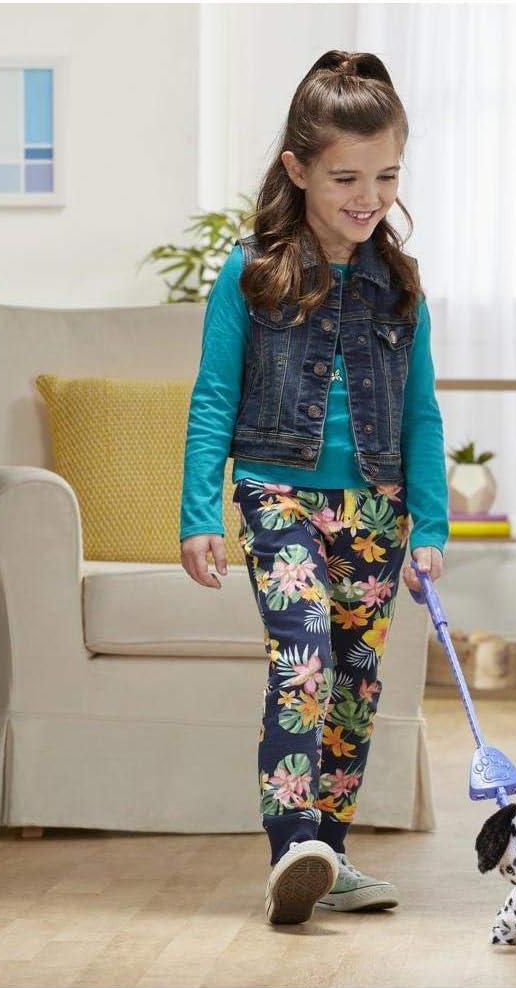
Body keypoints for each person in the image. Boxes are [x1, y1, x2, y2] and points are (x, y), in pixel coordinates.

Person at [178, 50, 449, 926]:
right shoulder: (249, 271)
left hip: (376, 508)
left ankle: (329, 850)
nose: (367, 196)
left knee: (357, 680)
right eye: (345, 177)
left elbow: (423, 417)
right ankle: (292, 839)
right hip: (276, 493)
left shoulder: (400, 289)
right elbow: (214, 395)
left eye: (385, 175)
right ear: (297, 170)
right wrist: (198, 512)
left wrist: (433, 525)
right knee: (304, 660)